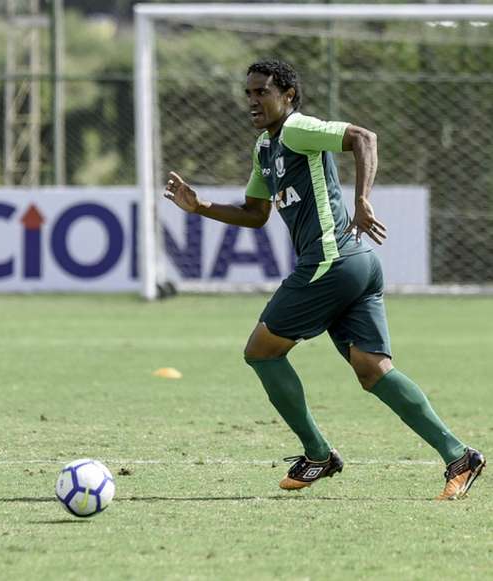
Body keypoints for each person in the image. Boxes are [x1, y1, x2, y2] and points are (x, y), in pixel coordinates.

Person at [164, 59, 485, 500]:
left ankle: (318, 453)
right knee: (373, 371)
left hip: (331, 261)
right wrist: (200, 207)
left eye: (263, 92)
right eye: (249, 94)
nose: (254, 101)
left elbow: (362, 138)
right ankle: (459, 456)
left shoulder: (297, 129)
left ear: (288, 95)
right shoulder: (264, 148)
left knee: (261, 352)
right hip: (353, 265)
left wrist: (363, 200)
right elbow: (256, 215)